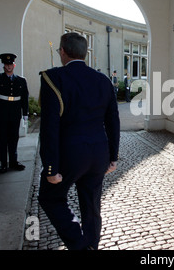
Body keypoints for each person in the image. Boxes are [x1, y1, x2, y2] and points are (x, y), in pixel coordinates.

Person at [38, 32, 120, 250]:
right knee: (91, 204)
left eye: (59, 51)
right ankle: (91, 244)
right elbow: (113, 121)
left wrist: (50, 167)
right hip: (98, 153)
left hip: (69, 154)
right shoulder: (103, 80)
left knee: (50, 198)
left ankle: (81, 245)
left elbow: (49, 127)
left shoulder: (53, 78)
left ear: (63, 52)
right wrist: (113, 157)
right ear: (85, 54)